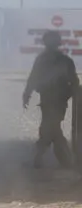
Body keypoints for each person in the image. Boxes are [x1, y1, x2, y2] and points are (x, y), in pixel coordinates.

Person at [22, 30, 79, 169]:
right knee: (52, 128)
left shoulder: (52, 60)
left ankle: (44, 157)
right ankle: (64, 160)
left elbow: (74, 83)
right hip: (52, 100)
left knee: (50, 128)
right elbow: (75, 83)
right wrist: (27, 94)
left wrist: (27, 94)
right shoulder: (62, 60)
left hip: (56, 100)